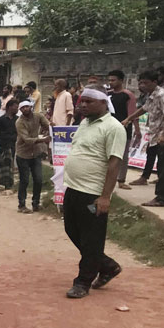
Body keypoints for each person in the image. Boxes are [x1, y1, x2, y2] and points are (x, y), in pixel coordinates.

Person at [61, 88, 126, 299]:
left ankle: (82, 282)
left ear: (103, 103)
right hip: (73, 188)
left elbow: (114, 163)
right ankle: (106, 265)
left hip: (93, 192)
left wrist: (105, 196)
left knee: (92, 239)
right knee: (72, 230)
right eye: (82, 101)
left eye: (89, 102)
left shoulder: (114, 128)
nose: (83, 105)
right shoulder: (84, 123)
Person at [123, 71, 164, 206]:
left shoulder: (162, 95)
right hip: (156, 136)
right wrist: (129, 118)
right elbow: (144, 109)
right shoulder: (151, 96)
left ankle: (161, 198)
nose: (143, 85)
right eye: (141, 83)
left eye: (146, 82)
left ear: (154, 82)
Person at [15, 99, 50, 213]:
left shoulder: (38, 116)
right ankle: (22, 205)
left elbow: (47, 125)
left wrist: (49, 130)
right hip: (23, 153)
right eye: (23, 108)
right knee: (24, 180)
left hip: (35, 153)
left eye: (27, 107)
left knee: (38, 179)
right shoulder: (19, 122)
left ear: (31, 107)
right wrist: (43, 140)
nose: (25, 109)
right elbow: (26, 140)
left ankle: (36, 203)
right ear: (20, 110)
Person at [106, 70, 137, 190]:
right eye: (109, 80)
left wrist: (137, 130)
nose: (111, 82)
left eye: (113, 80)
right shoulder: (108, 95)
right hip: (109, 128)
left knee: (122, 155)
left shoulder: (128, 95)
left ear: (121, 81)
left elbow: (133, 114)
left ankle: (121, 180)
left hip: (124, 129)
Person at [0, 99, 19, 193]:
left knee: (9, 164)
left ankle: (8, 183)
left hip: (12, 144)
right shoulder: (1, 119)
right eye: (15, 107)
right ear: (9, 107)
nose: (17, 109)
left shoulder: (17, 119)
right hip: (3, 144)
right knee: (0, 164)